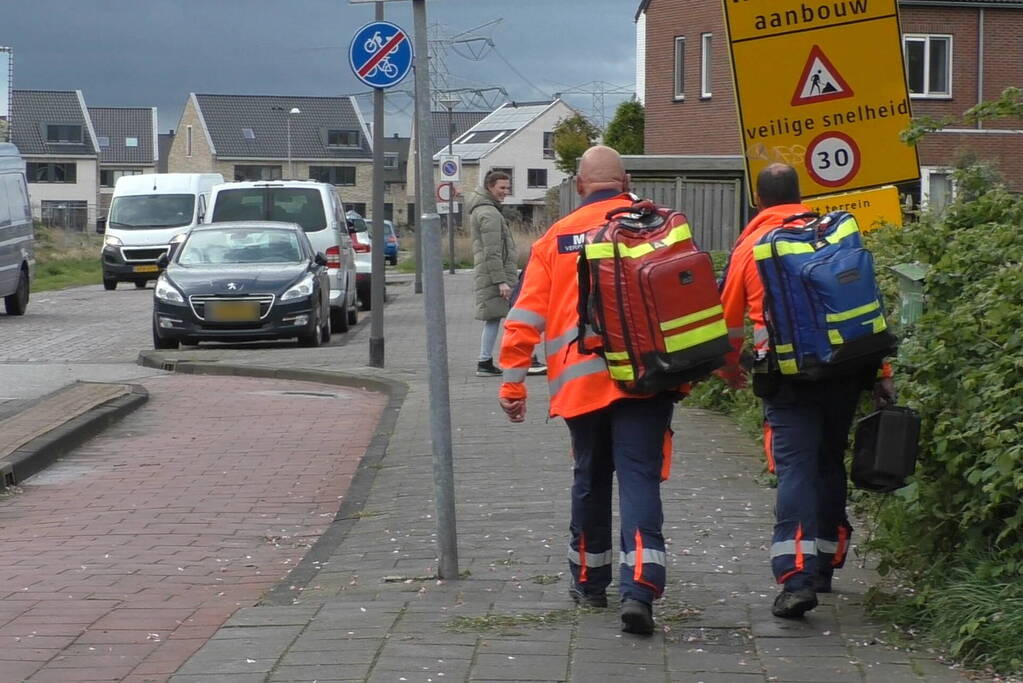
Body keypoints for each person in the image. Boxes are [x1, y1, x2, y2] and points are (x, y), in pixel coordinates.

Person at [497, 145, 682, 635]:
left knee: (590, 477)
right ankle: (641, 587)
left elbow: (524, 318)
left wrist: (514, 384)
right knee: (640, 478)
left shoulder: (555, 240)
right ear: (625, 182)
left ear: (579, 186)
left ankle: (589, 580)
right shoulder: (657, 226)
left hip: (582, 388)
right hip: (647, 378)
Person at [717, 163, 896, 618]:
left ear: (758, 200)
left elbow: (727, 322)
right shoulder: (834, 232)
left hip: (789, 376)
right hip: (847, 368)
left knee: (795, 469)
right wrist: (882, 372)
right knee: (829, 461)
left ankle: (795, 578)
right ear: (801, 194)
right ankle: (825, 563)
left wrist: (727, 373)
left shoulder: (752, 247)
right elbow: (864, 309)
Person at [467, 170, 517, 377]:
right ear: (490, 187)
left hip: (490, 274)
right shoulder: (489, 213)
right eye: (502, 188)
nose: (506, 192)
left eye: (507, 188)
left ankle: (486, 360)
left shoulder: (485, 210)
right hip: (495, 276)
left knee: (495, 318)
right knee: (507, 317)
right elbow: (493, 251)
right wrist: (501, 281)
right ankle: (490, 361)